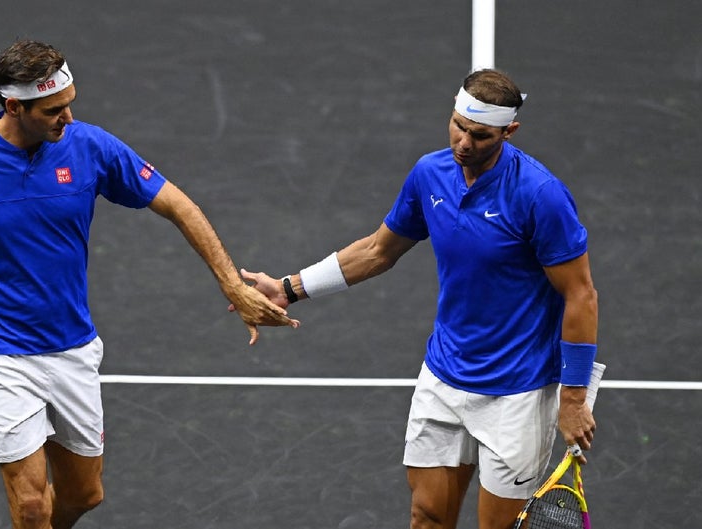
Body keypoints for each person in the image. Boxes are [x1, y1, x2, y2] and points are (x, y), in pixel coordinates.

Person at [0, 39, 298, 529]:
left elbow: (178, 205)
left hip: (72, 348)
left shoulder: (90, 147)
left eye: (70, 103)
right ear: (14, 107)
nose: (68, 118)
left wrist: (232, 285)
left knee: (83, 493)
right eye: (54, 110)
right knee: (31, 507)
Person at [238, 69, 599, 529]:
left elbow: (581, 295)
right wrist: (289, 288)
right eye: (458, 126)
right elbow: (378, 250)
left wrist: (572, 397)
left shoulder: (541, 196)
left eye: (480, 135)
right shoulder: (430, 174)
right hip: (444, 376)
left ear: (509, 132)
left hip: (518, 391)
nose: (464, 143)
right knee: (427, 517)